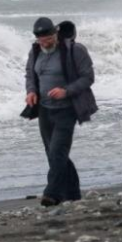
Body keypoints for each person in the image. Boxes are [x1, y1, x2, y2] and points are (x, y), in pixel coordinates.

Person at [25, 17, 98, 207]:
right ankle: (73, 194)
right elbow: (30, 75)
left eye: (48, 38)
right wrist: (31, 91)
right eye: (41, 39)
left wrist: (66, 91)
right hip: (44, 110)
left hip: (67, 110)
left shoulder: (75, 50)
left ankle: (52, 193)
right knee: (54, 153)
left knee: (58, 151)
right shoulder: (35, 51)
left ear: (55, 33)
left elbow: (88, 77)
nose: (45, 42)